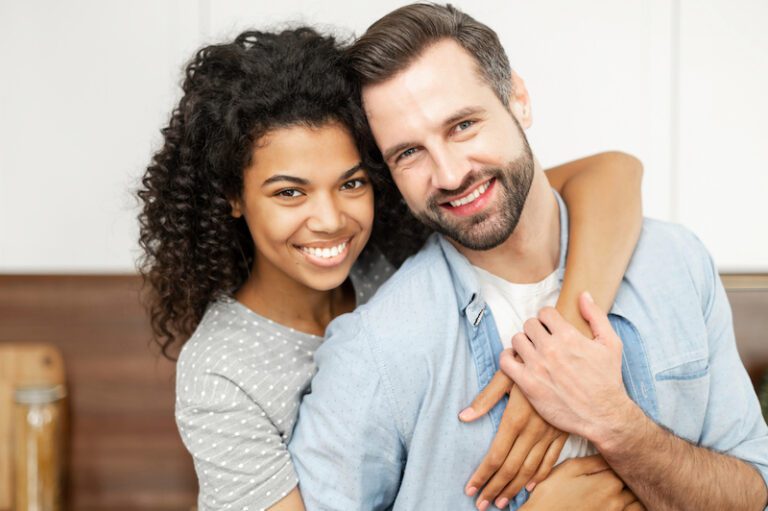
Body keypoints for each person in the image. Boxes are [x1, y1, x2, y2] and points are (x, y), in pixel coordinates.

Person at [137, 27, 643, 511]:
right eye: (290, 192)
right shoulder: (221, 373)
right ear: (233, 196)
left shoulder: (393, 250)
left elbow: (614, 173)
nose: (331, 220)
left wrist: (561, 355)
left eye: (352, 183)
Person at [288, 4, 768, 511]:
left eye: (463, 125)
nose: (449, 175)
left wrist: (620, 429)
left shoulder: (676, 263)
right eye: (409, 153)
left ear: (518, 100)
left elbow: (754, 486)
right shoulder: (375, 352)